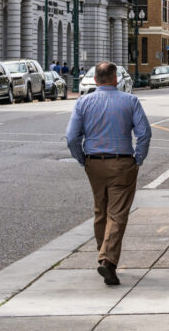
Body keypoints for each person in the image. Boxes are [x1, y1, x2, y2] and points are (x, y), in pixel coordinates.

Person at [64, 61, 151, 286]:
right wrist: (138, 159)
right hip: (122, 163)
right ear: (115, 79)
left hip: (94, 163)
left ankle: (104, 253)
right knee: (117, 214)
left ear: (95, 80)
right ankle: (107, 261)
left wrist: (82, 159)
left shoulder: (83, 102)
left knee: (100, 211)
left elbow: (72, 137)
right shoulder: (130, 101)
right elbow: (144, 134)